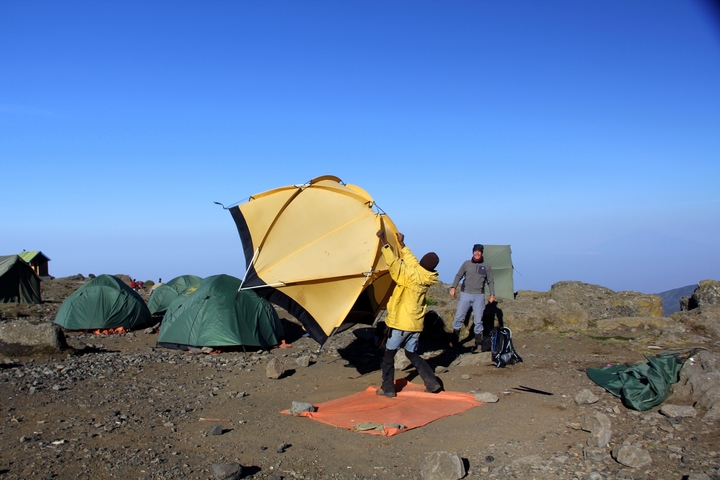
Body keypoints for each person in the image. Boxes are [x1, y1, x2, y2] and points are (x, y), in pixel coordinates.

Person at [376, 228, 442, 398]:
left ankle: (388, 388)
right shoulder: (426, 276)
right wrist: (403, 245)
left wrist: (384, 242)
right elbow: (412, 262)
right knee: (411, 353)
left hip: (402, 323)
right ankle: (432, 383)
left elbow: (394, 264)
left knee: (388, 354)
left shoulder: (409, 276)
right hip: (416, 324)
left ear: (423, 263)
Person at [449, 244, 495, 353]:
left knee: (478, 320)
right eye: (475, 251)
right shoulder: (466, 264)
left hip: (479, 295)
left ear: (482, 253)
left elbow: (490, 281)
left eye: (479, 251)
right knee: (459, 317)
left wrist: (492, 294)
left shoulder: (486, 266)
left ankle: (478, 343)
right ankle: (454, 340)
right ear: (473, 252)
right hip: (465, 294)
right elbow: (458, 275)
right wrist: (453, 287)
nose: (477, 253)